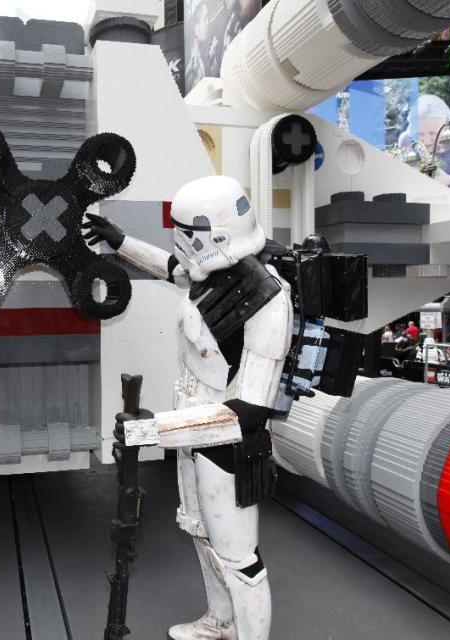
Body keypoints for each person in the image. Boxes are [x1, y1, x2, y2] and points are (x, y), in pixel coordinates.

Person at [85, 175, 290, 640]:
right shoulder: (216, 271)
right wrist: (121, 243)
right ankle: (221, 621)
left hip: (227, 444)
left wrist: (154, 430)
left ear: (213, 233)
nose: (179, 242)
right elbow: (175, 268)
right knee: (199, 531)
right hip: (192, 431)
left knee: (238, 555)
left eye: (185, 232)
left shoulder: (267, 299)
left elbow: (251, 408)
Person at [399, 94, 450, 197]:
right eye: (420, 134)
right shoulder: (407, 140)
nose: (427, 141)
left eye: (433, 133)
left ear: (447, 127)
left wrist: (449, 182)